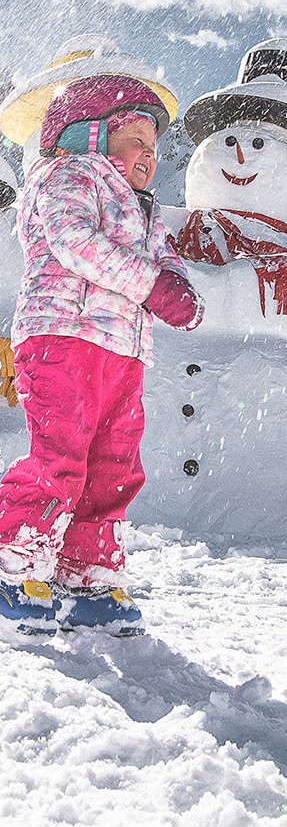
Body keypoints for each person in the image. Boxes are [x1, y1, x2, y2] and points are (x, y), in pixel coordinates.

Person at [0, 74, 203, 637]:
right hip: (61, 336)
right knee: (60, 455)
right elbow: (75, 242)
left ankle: (82, 567)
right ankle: (13, 555)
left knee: (114, 466)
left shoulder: (145, 210)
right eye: (136, 138)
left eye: (156, 147)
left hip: (122, 350)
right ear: (90, 135)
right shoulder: (69, 175)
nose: (149, 155)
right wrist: (150, 284)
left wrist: (180, 291)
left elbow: (167, 262)